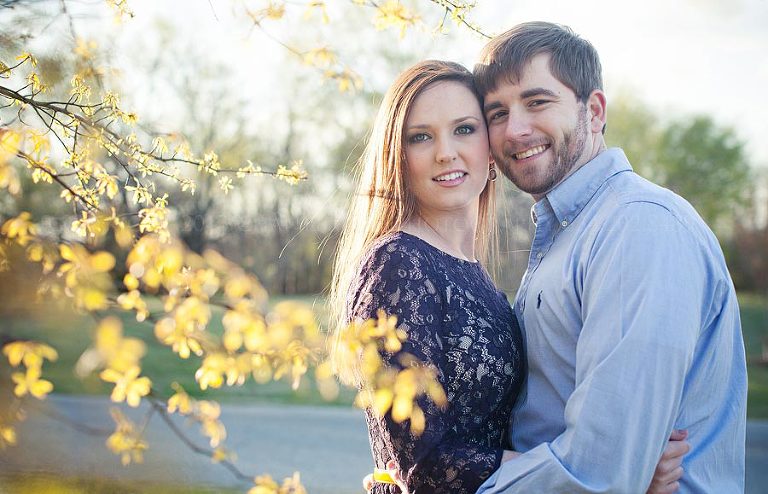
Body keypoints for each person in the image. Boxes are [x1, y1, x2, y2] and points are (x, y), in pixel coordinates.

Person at [331, 60, 688, 494]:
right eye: (421, 137)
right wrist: (604, 474)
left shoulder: (475, 274)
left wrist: (627, 455)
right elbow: (426, 464)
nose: (446, 152)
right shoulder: (397, 265)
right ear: (398, 157)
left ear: (491, 149)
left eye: (464, 129)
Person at [471, 22, 748, 493]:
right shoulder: (569, 232)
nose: (515, 129)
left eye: (537, 102)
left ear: (594, 111)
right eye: (498, 113)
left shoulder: (637, 226)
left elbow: (599, 473)